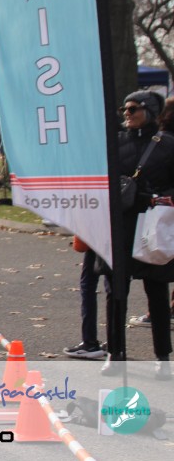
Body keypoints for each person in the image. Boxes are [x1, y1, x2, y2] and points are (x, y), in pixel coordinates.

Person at [101, 91, 174, 380]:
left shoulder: (167, 145)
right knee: (115, 292)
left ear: (150, 111)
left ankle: (163, 357)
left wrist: (160, 197)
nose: (127, 114)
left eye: (133, 108)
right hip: (119, 225)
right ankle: (114, 353)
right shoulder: (115, 142)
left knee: (157, 292)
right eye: (124, 109)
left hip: (153, 224)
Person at [63, 242, 107, 360]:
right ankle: (116, 342)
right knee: (114, 288)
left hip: (98, 240)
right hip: (121, 240)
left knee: (88, 285)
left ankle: (90, 342)